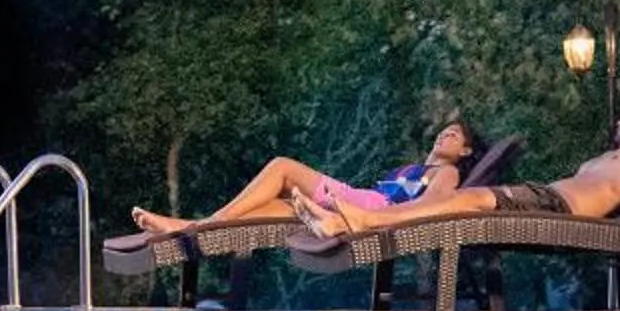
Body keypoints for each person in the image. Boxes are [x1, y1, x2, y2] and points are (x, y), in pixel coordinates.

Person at [292, 89, 620, 239]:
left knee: (469, 200)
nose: (618, 122)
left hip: (559, 206)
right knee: (468, 200)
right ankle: (342, 223)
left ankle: (362, 222)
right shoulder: (609, 158)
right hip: (544, 198)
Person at [128, 117, 477, 238]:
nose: (445, 135)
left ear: (465, 152)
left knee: (282, 166)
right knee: (270, 206)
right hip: (361, 200)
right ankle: (185, 226)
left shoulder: (447, 172)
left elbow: (433, 206)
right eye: (444, 131)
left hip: (369, 207)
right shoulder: (413, 167)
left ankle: (199, 226)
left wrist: (376, 219)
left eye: (455, 135)